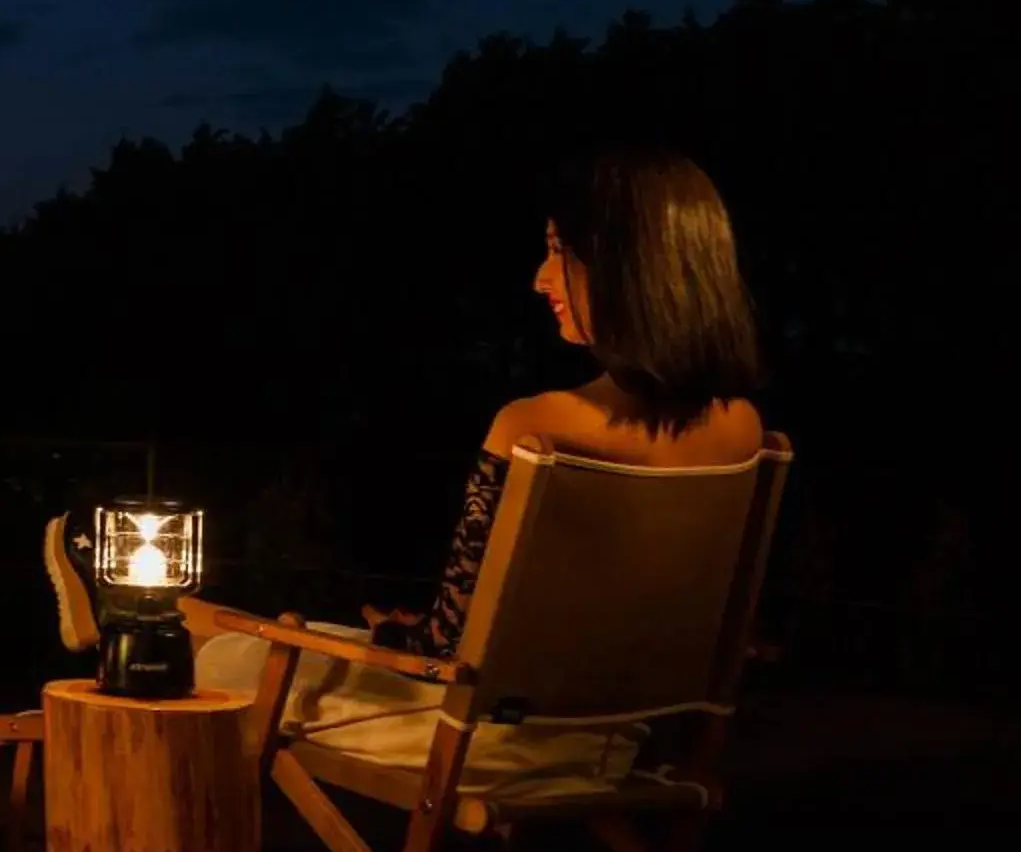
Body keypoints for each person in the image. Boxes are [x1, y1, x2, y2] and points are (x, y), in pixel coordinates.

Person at [44, 146, 767, 783]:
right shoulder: (743, 429)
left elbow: (443, 652)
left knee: (225, 654)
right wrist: (407, 631)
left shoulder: (537, 425)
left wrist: (401, 636)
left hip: (483, 739)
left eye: (558, 250)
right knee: (299, 634)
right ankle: (152, 619)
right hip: (616, 739)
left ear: (624, 266)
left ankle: (132, 627)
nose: (540, 278)